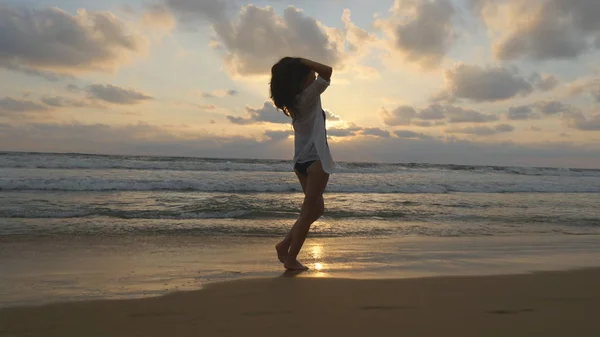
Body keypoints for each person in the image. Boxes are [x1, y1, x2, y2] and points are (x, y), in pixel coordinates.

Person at [269, 57, 336, 270]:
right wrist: (302, 61)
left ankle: (284, 246)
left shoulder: (294, 100)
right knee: (308, 213)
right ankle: (290, 258)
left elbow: (322, 74)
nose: (314, 75)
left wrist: (301, 67)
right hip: (315, 160)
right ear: (301, 79)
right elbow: (327, 70)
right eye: (309, 73)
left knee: (315, 210)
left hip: (301, 161)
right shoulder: (308, 95)